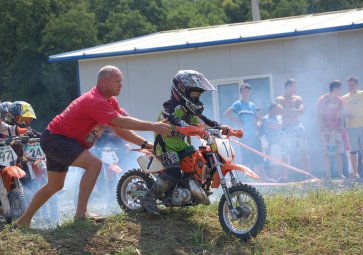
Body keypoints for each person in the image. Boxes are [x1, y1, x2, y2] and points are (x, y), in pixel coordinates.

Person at [16, 65, 171, 227]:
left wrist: (146, 144)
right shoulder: (95, 101)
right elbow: (120, 121)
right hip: (57, 139)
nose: (121, 85)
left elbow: (119, 129)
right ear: (103, 82)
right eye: (117, 81)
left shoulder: (110, 101)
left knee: (55, 185)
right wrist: (154, 126)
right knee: (94, 165)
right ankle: (81, 214)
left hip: (56, 139)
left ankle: (23, 221)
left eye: (121, 81)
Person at [141, 70, 228, 215]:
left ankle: (193, 189)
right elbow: (170, 116)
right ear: (181, 91)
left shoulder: (189, 110)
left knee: (199, 160)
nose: (197, 97)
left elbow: (203, 120)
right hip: (165, 147)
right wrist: (183, 125)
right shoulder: (170, 106)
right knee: (173, 171)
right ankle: (149, 198)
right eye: (194, 94)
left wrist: (219, 126)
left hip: (181, 146)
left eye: (199, 95)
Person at [224, 83, 265, 179]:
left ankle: (259, 177)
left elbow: (257, 118)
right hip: (244, 135)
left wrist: (258, 123)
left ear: (250, 93)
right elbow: (227, 113)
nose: (245, 93)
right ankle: (246, 178)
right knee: (246, 157)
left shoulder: (252, 105)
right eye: (243, 92)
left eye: (247, 91)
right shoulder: (238, 104)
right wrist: (238, 121)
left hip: (254, 134)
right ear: (241, 93)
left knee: (258, 156)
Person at [276, 79, 309, 181]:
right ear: (288, 87)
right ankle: (284, 176)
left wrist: (289, 111)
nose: (295, 88)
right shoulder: (280, 98)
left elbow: (302, 110)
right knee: (284, 152)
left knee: (303, 150)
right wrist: (294, 111)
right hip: (286, 128)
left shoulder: (298, 98)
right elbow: (279, 110)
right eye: (294, 86)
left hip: (297, 126)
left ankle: (307, 174)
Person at [316, 80, 345, 179]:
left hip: (336, 131)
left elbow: (341, 115)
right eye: (340, 88)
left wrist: (341, 127)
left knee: (339, 153)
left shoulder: (340, 100)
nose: (341, 90)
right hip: (325, 131)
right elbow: (319, 115)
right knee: (326, 153)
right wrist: (325, 128)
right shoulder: (322, 99)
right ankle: (328, 174)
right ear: (335, 88)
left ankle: (340, 174)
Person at [260, 103, 282, 181]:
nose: (278, 111)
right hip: (272, 144)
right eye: (277, 109)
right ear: (272, 109)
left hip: (281, 143)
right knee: (273, 163)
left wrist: (279, 124)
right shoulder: (265, 118)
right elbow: (273, 126)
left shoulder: (279, 117)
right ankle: (274, 179)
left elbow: (280, 125)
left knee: (281, 162)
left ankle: (280, 178)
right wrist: (279, 125)